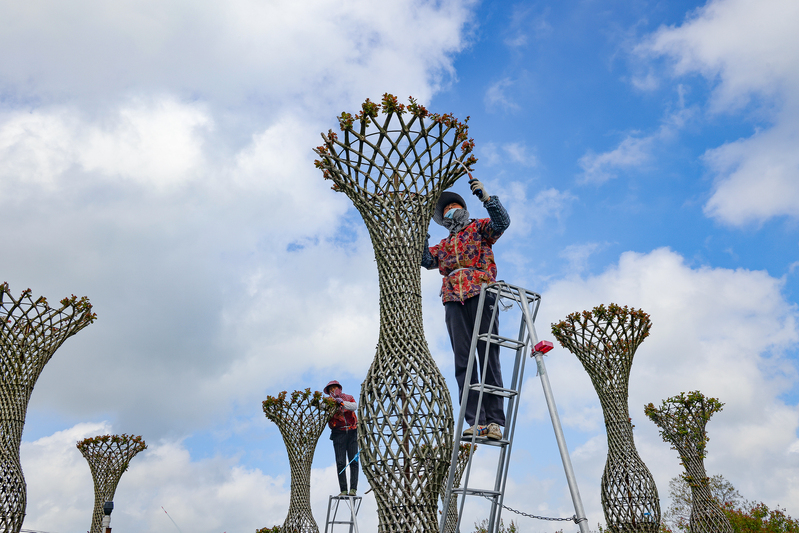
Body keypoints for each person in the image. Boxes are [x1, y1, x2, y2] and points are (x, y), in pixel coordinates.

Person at [421, 178, 510, 441]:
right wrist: (421, 227)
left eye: (454, 206)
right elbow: (425, 259)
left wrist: (487, 199)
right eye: (446, 210)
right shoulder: (443, 245)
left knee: (488, 353)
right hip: (452, 298)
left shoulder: (479, 228)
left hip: (481, 290)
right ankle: (476, 421)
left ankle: (494, 422)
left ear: (464, 208)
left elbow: (501, 223)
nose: (450, 210)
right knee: (463, 360)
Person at [324, 380, 359, 496]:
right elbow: (323, 407)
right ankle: (343, 490)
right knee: (340, 462)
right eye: (330, 389)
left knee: (354, 461)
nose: (333, 390)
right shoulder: (328, 402)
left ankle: (353, 489)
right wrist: (333, 404)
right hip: (338, 433)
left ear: (339, 388)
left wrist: (342, 402)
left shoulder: (348, 397)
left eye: (334, 388)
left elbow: (354, 406)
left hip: (352, 431)